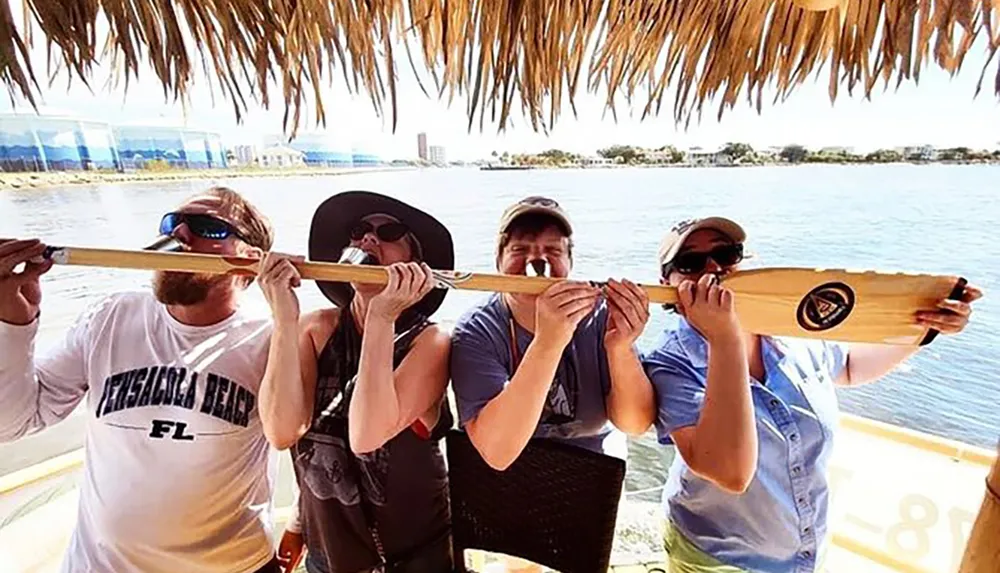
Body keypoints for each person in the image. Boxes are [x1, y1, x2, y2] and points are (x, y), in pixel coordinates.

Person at [641, 217, 983, 573]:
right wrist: (724, 336)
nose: (713, 269)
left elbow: (849, 367)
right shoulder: (672, 363)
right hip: (717, 557)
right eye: (691, 263)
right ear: (668, 284)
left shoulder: (793, 333)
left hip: (804, 551)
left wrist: (927, 326)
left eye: (727, 254)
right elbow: (730, 472)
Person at [0, 186, 282, 573]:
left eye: (206, 227)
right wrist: (13, 324)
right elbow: (12, 422)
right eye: (172, 223)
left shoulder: (269, 340)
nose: (178, 235)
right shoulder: (111, 318)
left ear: (250, 259)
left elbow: (298, 439)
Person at [257, 190, 456, 573]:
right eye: (359, 231)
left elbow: (367, 435)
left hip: (415, 557)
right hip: (330, 554)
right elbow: (284, 431)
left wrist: (382, 316)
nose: (368, 240)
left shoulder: (429, 341)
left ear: (415, 263)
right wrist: (284, 318)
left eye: (389, 233)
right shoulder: (315, 328)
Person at [449, 195, 656, 471]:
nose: (537, 262)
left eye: (553, 251)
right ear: (499, 261)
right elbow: (496, 452)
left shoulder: (600, 318)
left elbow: (635, 424)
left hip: (592, 468)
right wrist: (548, 341)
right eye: (520, 250)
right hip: (504, 476)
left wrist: (621, 348)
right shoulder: (477, 330)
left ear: (569, 263)